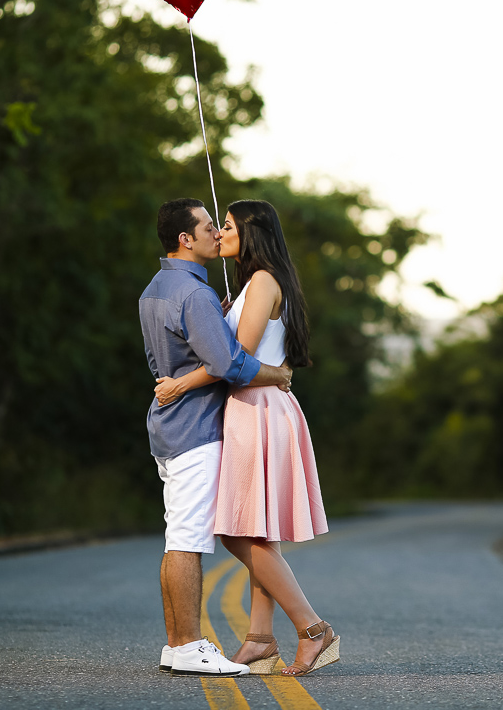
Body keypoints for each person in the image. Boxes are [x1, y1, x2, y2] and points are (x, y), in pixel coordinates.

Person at [154, 199, 339, 677]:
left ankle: (313, 629)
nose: (220, 233)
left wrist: (179, 384)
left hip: (257, 409)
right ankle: (259, 639)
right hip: (254, 408)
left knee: (238, 532)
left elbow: (234, 360)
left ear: (251, 234)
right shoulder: (254, 284)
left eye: (228, 226)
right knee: (256, 530)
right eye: (217, 226)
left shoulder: (260, 282)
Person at [139, 198, 294, 678]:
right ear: (185, 239)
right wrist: (278, 373)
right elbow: (230, 364)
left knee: (178, 536)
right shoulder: (195, 294)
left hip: (168, 427)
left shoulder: (153, 290)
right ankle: (188, 645)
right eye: (209, 226)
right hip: (198, 429)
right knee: (187, 539)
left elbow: (162, 361)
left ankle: (177, 645)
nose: (216, 233)